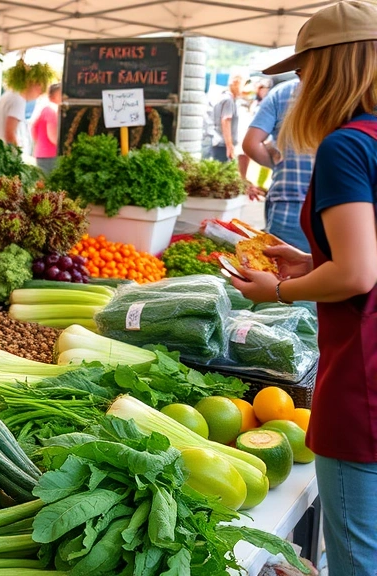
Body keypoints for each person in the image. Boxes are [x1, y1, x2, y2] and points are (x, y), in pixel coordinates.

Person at [230, 3, 377, 574]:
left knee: (356, 561)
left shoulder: (347, 145)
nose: (302, 82)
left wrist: (276, 292)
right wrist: (310, 257)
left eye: (307, 68)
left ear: (332, 66)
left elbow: (358, 274)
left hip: (362, 383)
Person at [242, 78, 314, 252]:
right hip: (343, 210)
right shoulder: (356, 93)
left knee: (284, 274)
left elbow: (251, 144)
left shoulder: (283, 92)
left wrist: (280, 164)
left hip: (288, 208)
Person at [0, 60, 53, 156]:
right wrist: (17, 158)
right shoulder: (18, 100)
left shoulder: (9, 95)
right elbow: (10, 133)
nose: (40, 93)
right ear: (32, 82)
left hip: (1, 154)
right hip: (8, 157)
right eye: (40, 87)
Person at [208, 74, 245, 162]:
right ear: (236, 84)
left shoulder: (223, 97)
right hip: (222, 144)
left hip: (219, 143)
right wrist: (229, 146)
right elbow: (226, 121)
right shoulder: (228, 100)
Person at [31, 83, 61, 173]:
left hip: (42, 153)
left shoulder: (45, 109)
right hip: (50, 155)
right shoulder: (51, 110)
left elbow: (34, 130)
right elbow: (53, 136)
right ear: (55, 96)